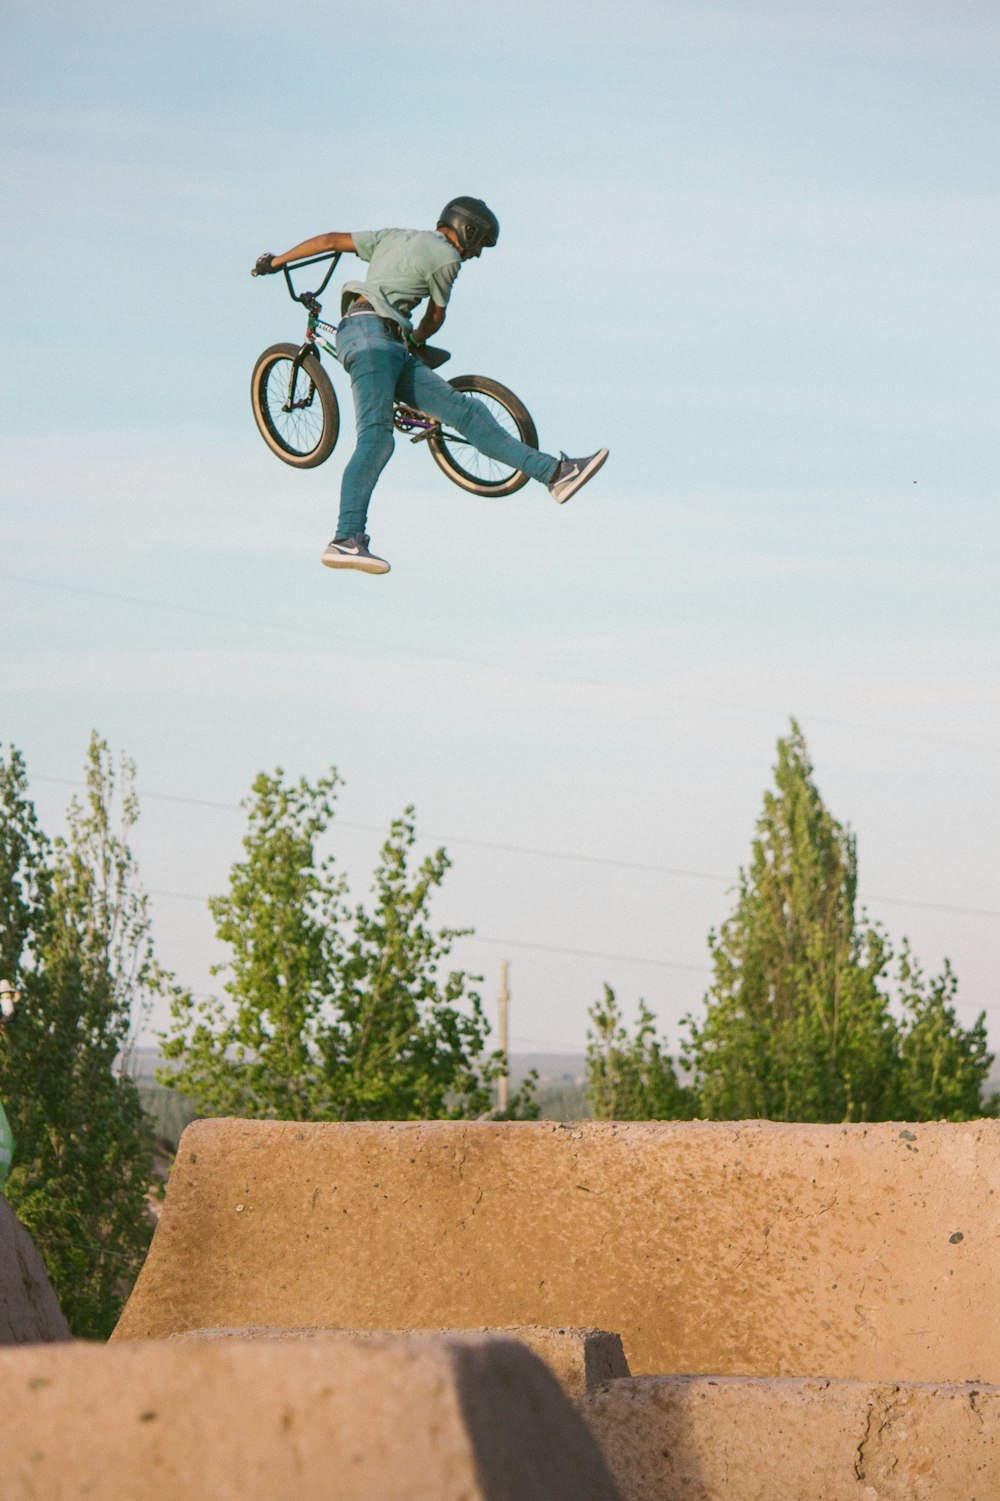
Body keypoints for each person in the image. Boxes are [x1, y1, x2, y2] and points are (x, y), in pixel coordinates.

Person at [253, 197, 609, 575]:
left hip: (385, 344)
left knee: (468, 413)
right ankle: (345, 537)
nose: (477, 254)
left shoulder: (393, 236)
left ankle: (555, 474)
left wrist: (276, 262)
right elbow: (435, 316)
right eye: (480, 244)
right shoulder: (446, 259)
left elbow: (328, 241)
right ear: (467, 230)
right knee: (376, 438)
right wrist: (419, 339)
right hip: (372, 338)